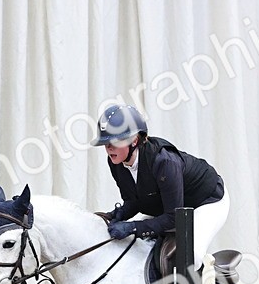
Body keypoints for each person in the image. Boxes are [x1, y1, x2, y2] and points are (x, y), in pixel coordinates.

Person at [90, 104, 227, 264]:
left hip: (207, 201)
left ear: (134, 140)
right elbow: (135, 201)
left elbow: (173, 218)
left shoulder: (164, 162)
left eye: (115, 142)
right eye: (106, 143)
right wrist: (116, 214)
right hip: (174, 209)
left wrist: (132, 227)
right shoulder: (116, 162)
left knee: (189, 256)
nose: (109, 148)